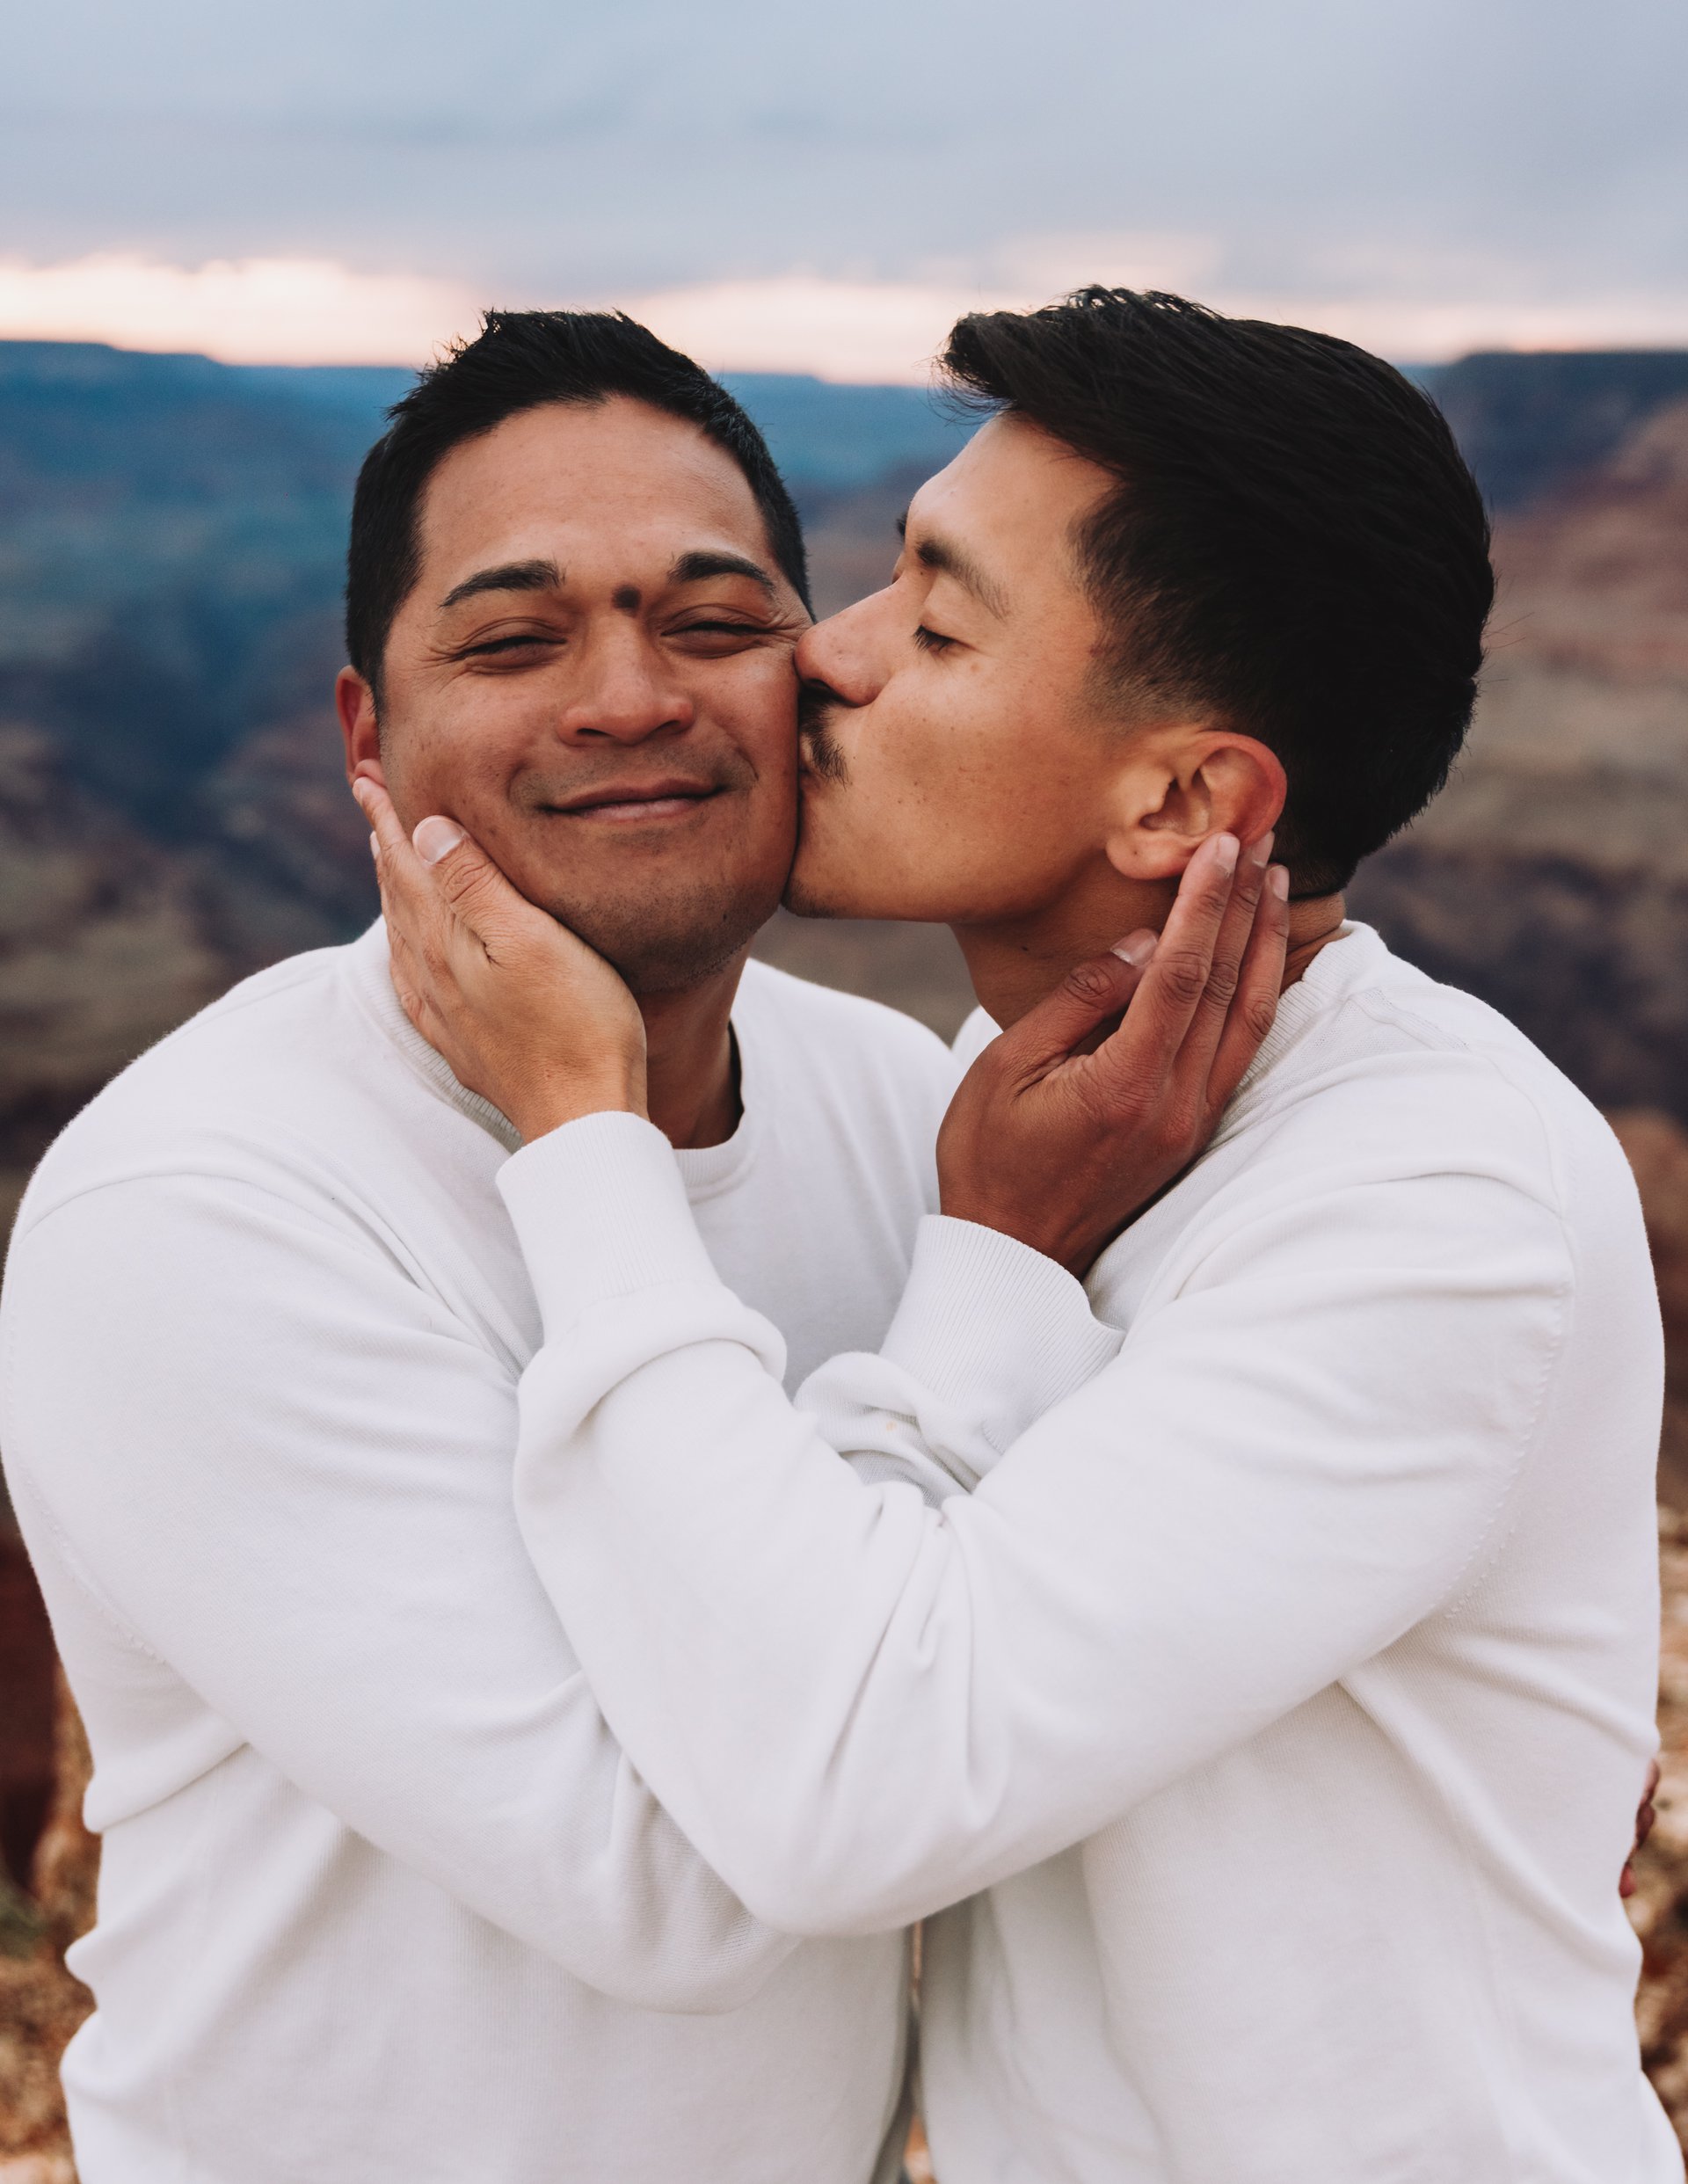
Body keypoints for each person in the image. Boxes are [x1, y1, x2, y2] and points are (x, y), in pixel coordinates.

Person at [366, 291, 1677, 2180]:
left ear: (1183, 801)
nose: (826, 656)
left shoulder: (1431, 1202)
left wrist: (584, 1130)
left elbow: (835, 1791)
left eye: (937, 624)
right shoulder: (1046, 1120)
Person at [3, 310, 1240, 2184]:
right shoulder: (195, 1212)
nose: (629, 699)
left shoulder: (890, 1098)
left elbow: (1052, 1640)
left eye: (715, 622)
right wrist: (989, 1266)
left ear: (814, 678)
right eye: (512, 640)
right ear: (365, 736)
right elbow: (690, 1892)